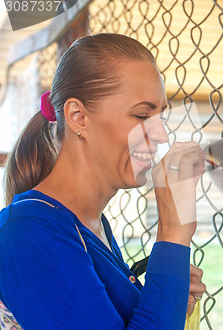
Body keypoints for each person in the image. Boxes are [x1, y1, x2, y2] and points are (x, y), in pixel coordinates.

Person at [0, 33, 206, 329]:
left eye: (160, 116)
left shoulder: (90, 226)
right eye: (141, 114)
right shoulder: (28, 231)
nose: (161, 134)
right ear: (78, 116)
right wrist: (173, 231)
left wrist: (169, 294)